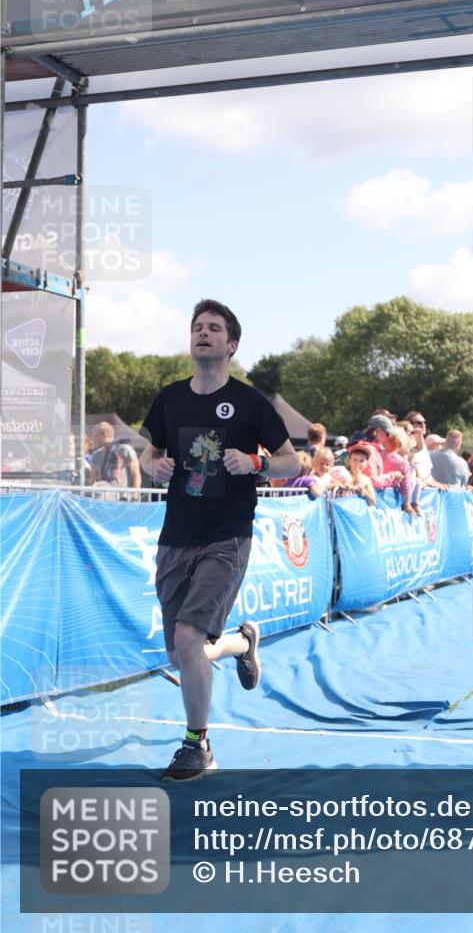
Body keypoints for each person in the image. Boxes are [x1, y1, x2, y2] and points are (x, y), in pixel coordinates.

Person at [139, 299, 300, 781]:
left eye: (214, 329)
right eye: (197, 327)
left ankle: (198, 745)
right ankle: (241, 643)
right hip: (176, 535)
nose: (202, 333)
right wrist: (154, 464)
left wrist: (256, 463)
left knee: (188, 640)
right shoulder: (170, 398)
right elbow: (149, 450)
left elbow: (293, 462)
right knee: (182, 653)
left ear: (231, 345)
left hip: (227, 535)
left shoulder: (251, 403)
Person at [90, 421, 141, 498]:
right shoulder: (96, 455)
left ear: (104, 435)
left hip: (122, 499)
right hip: (101, 499)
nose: (93, 439)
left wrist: (135, 496)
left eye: (96, 436)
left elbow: (136, 474)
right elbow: (92, 479)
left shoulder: (124, 449)